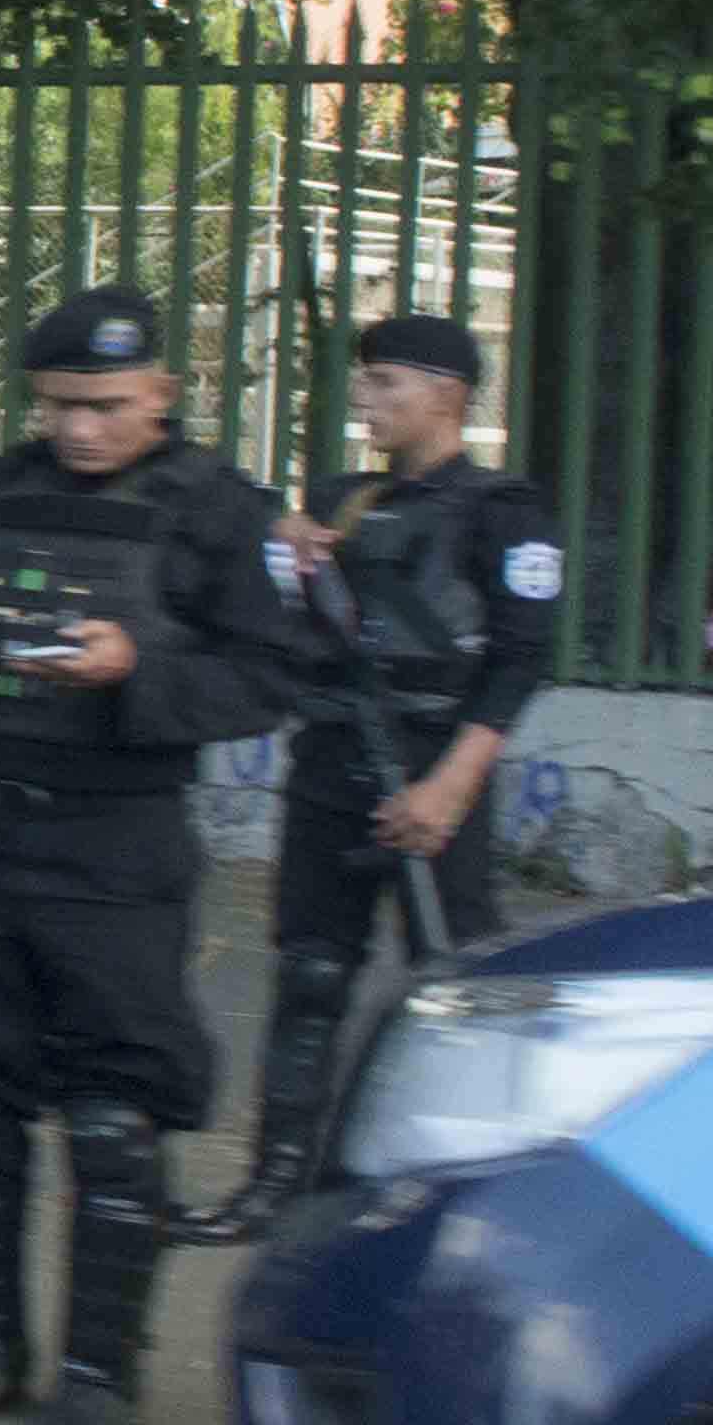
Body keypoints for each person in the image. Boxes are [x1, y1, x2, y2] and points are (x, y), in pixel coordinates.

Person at [0, 286, 309, 1425]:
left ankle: (98, 1376)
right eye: (59, 404)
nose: (78, 428)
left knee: (114, 1121)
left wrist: (139, 671)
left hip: (117, 852)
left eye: (106, 405)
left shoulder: (222, 512)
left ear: (162, 393)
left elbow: (268, 677)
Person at [205, 313, 560, 1239]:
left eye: (386, 385)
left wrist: (449, 786)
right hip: (333, 757)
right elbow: (285, 622)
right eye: (362, 384)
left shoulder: (504, 510)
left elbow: (520, 661)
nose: (364, 402)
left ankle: (465, 1192)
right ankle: (278, 1183)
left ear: (448, 395)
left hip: (435, 761)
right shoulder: (340, 498)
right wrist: (284, 551)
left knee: (456, 986)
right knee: (311, 974)